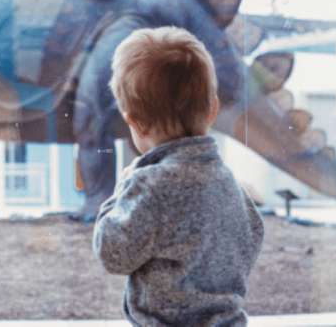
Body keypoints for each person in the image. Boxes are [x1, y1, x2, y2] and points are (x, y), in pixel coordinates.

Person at [93, 27, 266, 327]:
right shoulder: (228, 181)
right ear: (212, 110)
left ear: (136, 122)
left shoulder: (149, 185)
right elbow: (253, 235)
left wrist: (124, 186)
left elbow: (113, 255)